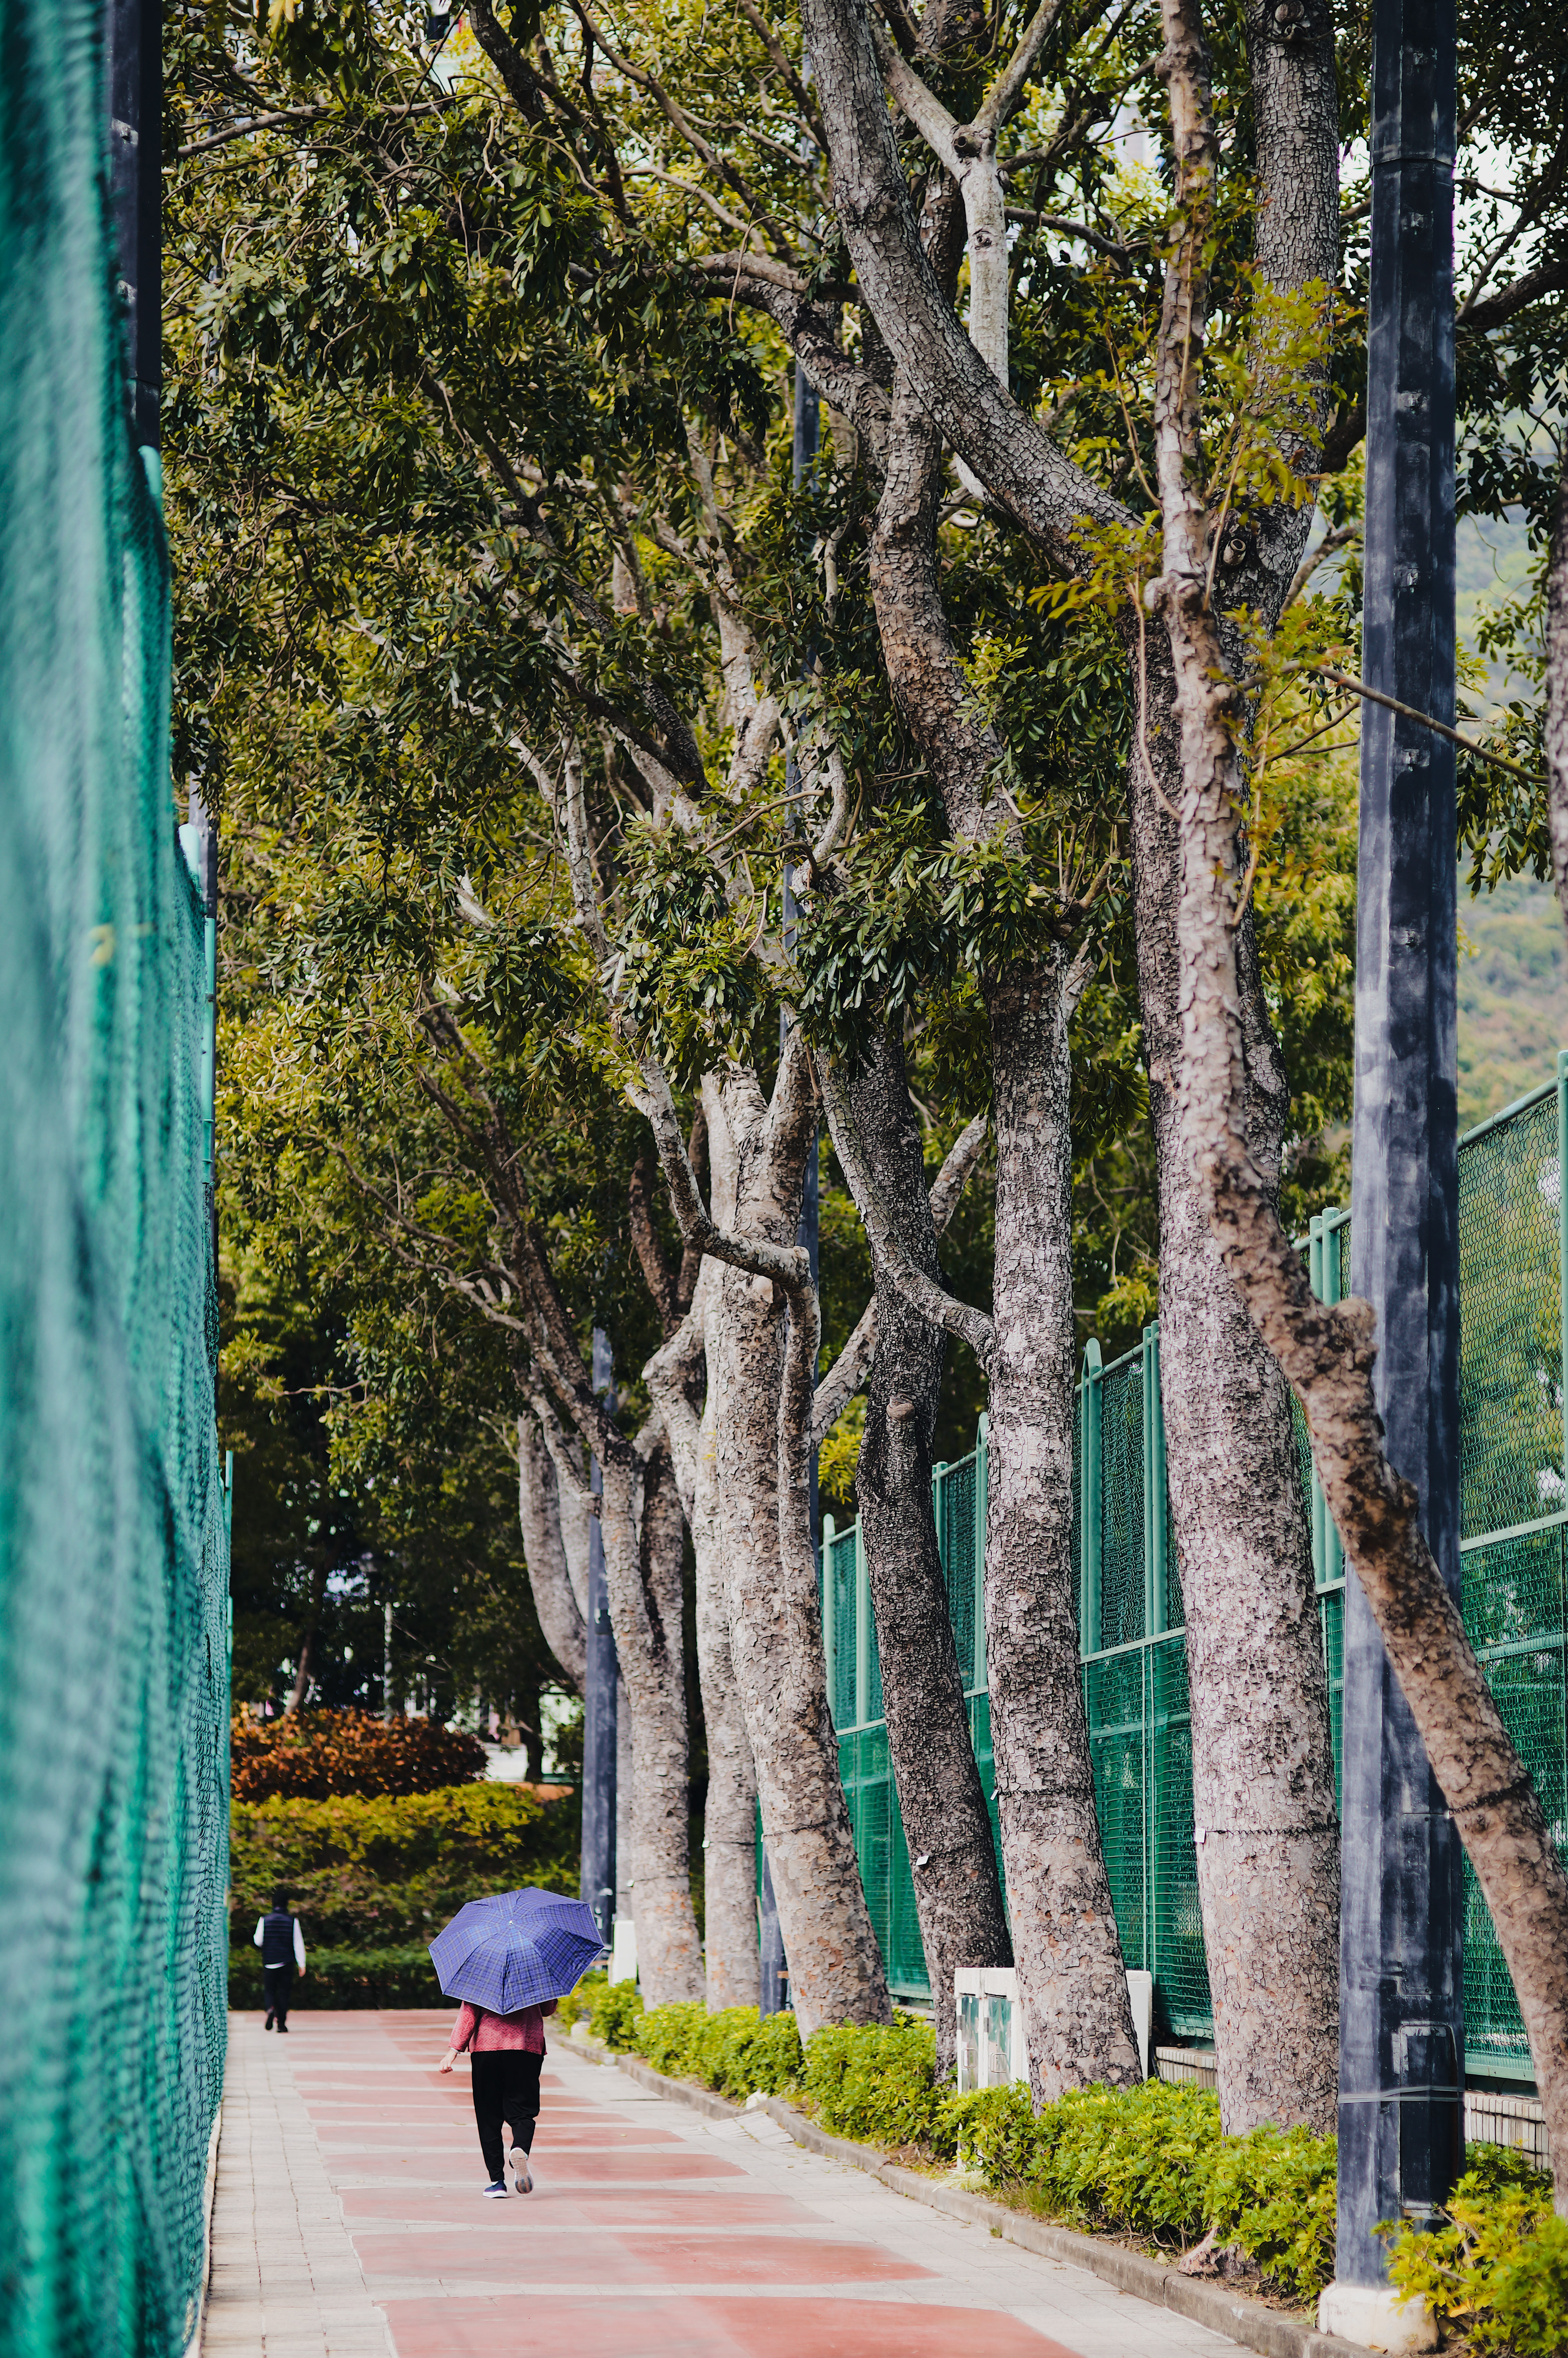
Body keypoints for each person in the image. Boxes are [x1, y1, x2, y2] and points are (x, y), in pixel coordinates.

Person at [439, 1996, 558, 2198]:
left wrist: (453, 2051)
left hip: (487, 2050)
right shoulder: (534, 1974)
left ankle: (497, 2183)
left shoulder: (481, 1974)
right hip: (526, 2048)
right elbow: (547, 2009)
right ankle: (520, 2147)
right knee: (522, 2110)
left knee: (488, 2116)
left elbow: (469, 2013)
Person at [254, 1888, 307, 2031]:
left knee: (270, 1991)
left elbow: (258, 1941)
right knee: (284, 1992)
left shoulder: (264, 1920)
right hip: (287, 1962)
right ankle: (281, 2024)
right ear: (287, 1904)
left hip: (270, 1961)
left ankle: (270, 2009)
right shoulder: (293, 1921)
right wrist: (302, 1964)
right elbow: (298, 1943)